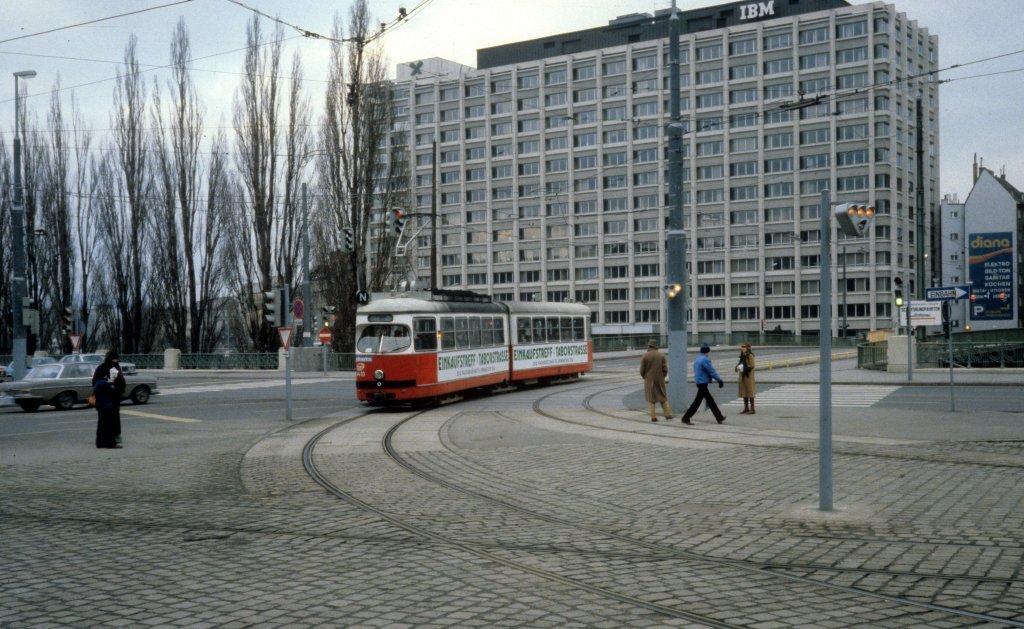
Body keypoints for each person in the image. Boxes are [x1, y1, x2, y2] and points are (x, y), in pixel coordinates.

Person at [680, 343, 726, 425]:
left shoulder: (698, 359)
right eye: (709, 352)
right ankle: (686, 418)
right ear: (707, 352)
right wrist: (719, 380)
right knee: (702, 401)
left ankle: (719, 417)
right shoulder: (705, 360)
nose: (709, 353)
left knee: (706, 401)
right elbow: (711, 371)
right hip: (703, 383)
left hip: (699, 382)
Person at [92, 350, 126, 448]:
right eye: (113, 360)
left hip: (113, 397)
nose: (115, 362)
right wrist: (110, 384)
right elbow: (96, 383)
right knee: (107, 420)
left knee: (110, 419)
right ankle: (109, 440)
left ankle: (109, 438)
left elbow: (121, 381)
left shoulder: (115, 367)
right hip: (107, 397)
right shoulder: (102, 368)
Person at [639, 340, 672, 422]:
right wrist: (662, 376)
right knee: (663, 397)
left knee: (651, 399)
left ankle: (653, 417)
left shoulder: (645, 356)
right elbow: (665, 369)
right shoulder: (661, 355)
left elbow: (642, 370)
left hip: (649, 379)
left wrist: (645, 377)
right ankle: (668, 415)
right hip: (660, 379)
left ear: (650, 346)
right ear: (656, 347)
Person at [737, 342, 756, 414]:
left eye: (744, 347)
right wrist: (738, 367)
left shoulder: (750, 355)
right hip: (743, 376)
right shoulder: (742, 355)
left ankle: (752, 409)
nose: (742, 348)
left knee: (750, 392)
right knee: (744, 392)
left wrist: (744, 368)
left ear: (747, 348)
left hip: (749, 376)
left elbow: (752, 365)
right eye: (742, 347)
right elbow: (740, 363)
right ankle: (746, 408)